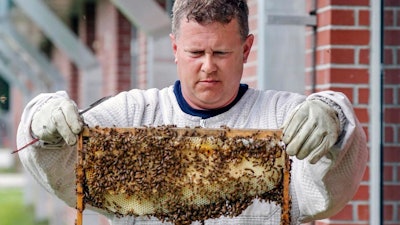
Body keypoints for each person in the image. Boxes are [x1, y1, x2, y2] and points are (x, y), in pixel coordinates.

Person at [16, 0, 368, 224]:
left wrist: (333, 115)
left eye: (222, 53)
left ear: (246, 49)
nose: (208, 67)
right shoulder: (133, 114)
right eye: (196, 52)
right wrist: (40, 117)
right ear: (174, 48)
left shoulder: (279, 115)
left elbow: (325, 195)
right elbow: (61, 168)